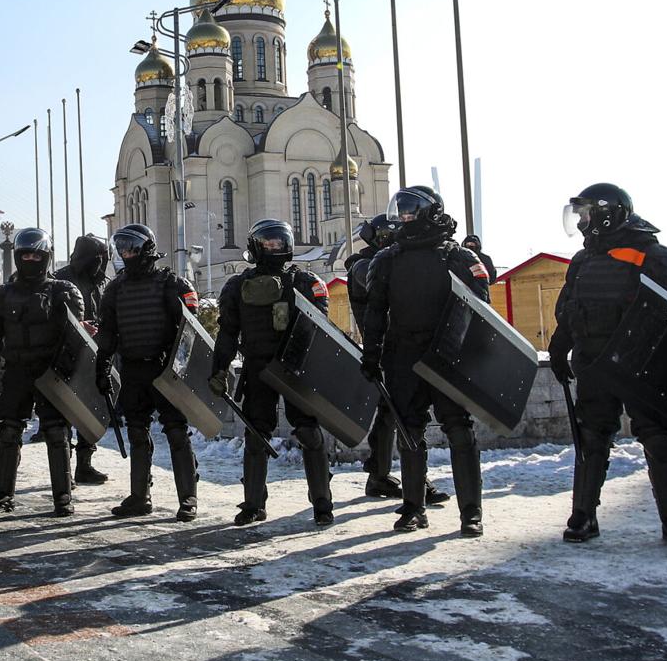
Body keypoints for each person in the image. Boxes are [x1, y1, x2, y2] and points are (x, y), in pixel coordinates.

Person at [547, 183, 667, 548]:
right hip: (594, 363)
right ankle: (584, 515)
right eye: (578, 214)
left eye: (586, 213)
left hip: (639, 365)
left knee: (658, 440)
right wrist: (559, 346)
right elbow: (569, 308)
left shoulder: (654, 255)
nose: (581, 221)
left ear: (606, 213)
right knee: (591, 440)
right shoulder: (583, 260)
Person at [361, 186, 491, 534]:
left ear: (430, 212)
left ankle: (471, 513)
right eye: (400, 211)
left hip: (446, 356)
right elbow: (375, 311)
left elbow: (480, 309)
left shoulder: (457, 256)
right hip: (403, 355)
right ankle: (413, 508)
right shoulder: (387, 258)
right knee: (409, 432)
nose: (404, 217)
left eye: (410, 210)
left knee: (459, 430)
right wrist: (371, 353)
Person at [210, 218, 335, 527]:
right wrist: (219, 369)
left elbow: (319, 327)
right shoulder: (237, 286)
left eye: (278, 241)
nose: (274, 247)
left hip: (296, 368)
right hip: (257, 368)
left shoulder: (306, 281)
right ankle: (253, 504)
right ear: (256, 246)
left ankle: (322, 502)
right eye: (268, 242)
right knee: (255, 436)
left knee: (308, 432)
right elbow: (226, 333)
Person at [94, 224, 201, 520]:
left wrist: (182, 370)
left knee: (176, 432)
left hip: (165, 369)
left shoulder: (170, 284)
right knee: (137, 432)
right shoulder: (115, 289)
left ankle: (188, 498)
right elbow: (108, 333)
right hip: (133, 370)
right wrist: (102, 366)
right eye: (123, 248)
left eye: (132, 248)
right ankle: (140, 497)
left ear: (146, 249)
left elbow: (191, 332)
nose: (127, 253)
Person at [0, 228, 83, 516]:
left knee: (57, 431)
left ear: (46, 256)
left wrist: (65, 367)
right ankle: (3, 496)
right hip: (17, 370)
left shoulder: (63, 291)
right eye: (26, 254)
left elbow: (77, 337)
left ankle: (62, 497)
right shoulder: (1, 295)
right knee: (9, 430)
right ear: (17, 256)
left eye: (36, 254)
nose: (31, 259)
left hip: (51, 370)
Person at [345, 215, 401, 499]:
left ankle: (380, 473)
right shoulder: (361, 264)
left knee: (395, 413)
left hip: (403, 345)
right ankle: (382, 474)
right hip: (380, 349)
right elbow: (377, 281)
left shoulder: (395, 260)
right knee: (396, 412)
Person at [56, 233, 112, 485]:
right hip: (67, 354)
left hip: (96, 354)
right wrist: (77, 327)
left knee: (91, 410)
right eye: (97, 258)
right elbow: (51, 316)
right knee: (66, 412)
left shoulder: (102, 282)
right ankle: (64, 469)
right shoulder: (60, 280)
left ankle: (84, 464)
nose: (100, 263)